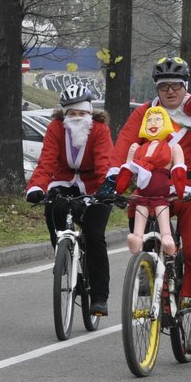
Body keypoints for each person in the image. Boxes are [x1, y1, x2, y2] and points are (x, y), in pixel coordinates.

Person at [104, 56, 191, 355]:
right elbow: (124, 146)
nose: (170, 92)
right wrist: (112, 178)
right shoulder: (146, 112)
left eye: (175, 86)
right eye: (163, 87)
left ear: (186, 87)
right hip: (157, 186)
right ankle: (147, 269)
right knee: (137, 210)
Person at [26, 81, 115, 317]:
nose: (77, 117)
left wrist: (106, 191)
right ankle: (64, 257)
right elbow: (46, 161)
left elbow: (104, 163)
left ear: (90, 112)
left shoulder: (100, 130)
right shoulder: (56, 128)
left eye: (82, 112)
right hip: (64, 180)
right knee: (53, 210)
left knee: (95, 237)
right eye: (71, 113)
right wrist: (36, 187)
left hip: (95, 184)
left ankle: (99, 297)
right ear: (64, 113)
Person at [119, 105, 185, 256]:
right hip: (142, 195)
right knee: (139, 222)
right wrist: (119, 188)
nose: (154, 124)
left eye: (158, 120)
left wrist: (181, 190)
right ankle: (136, 238)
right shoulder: (138, 148)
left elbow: (179, 169)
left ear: (166, 123)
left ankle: (168, 239)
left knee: (163, 224)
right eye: (150, 120)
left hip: (161, 196)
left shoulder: (172, 147)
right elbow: (128, 169)